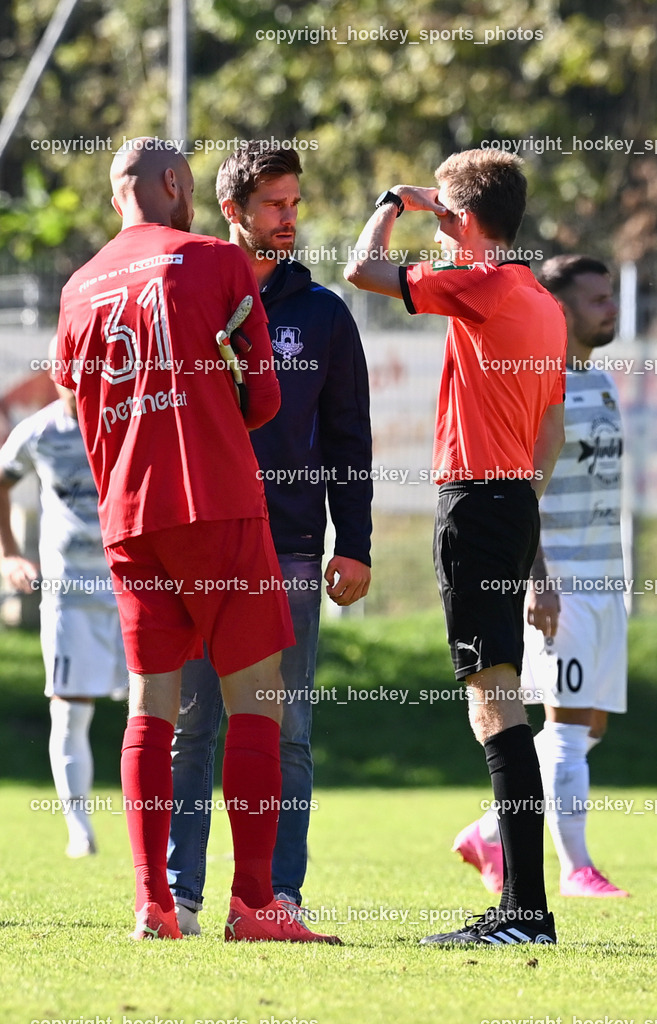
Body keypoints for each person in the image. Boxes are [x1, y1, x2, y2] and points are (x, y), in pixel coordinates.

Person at [54, 137, 338, 943]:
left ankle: (154, 905)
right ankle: (254, 908)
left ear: (117, 198)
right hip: (215, 502)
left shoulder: (77, 289)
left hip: (130, 521)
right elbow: (263, 401)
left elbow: (82, 416)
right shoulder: (214, 260)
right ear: (176, 184)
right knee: (258, 705)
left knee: (153, 710)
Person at [344, 149, 566, 946]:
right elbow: (551, 433)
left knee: (493, 705)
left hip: (475, 505)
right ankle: (523, 908)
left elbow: (361, 271)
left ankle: (523, 913)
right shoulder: (540, 299)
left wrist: (393, 203)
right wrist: (524, 528)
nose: (436, 233)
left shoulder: (484, 284)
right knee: (499, 700)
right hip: (510, 508)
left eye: (446, 217)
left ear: (464, 219)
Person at [167, 142, 373, 938]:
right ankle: (181, 896)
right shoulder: (185, 296)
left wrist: (350, 542)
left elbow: (349, 441)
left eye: (295, 203)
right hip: (193, 543)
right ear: (233, 212)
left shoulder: (322, 312)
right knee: (194, 725)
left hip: (287, 550)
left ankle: (275, 897)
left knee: (288, 733)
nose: (290, 219)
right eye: (275, 206)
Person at [453, 255, 629, 899]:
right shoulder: (543, 383)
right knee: (568, 728)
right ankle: (576, 868)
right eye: (596, 299)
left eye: (612, 296)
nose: (610, 309)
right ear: (560, 310)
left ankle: (490, 832)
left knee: (587, 728)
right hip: (562, 582)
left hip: (606, 582)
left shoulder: (600, 382)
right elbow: (524, 487)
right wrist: (538, 575)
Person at [0, 371, 127, 859]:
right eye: (65, 373)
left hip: (132, 590)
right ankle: (81, 832)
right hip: (68, 596)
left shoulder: (129, 422)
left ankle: (165, 836)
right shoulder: (38, 432)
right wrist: (10, 553)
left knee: (162, 709)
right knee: (70, 710)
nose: (74, 383)